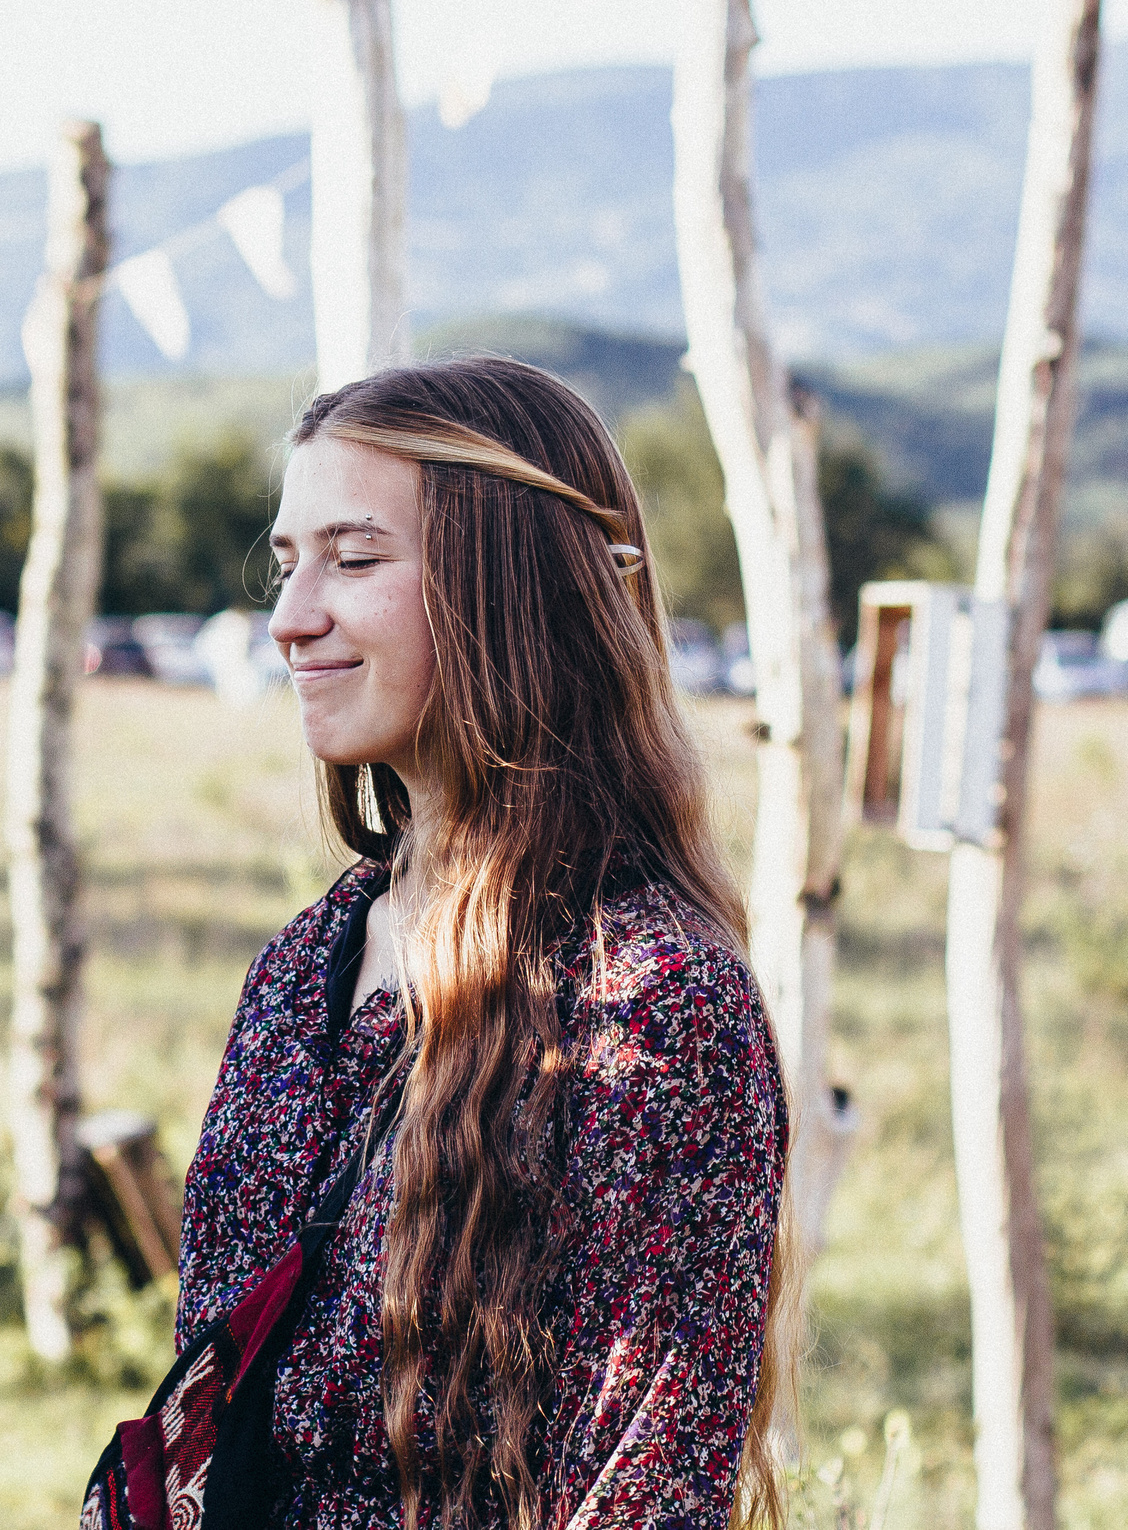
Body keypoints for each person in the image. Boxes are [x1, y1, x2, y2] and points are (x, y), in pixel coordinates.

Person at [173, 358, 789, 1526]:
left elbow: (642, 1489)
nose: (292, 616)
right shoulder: (306, 965)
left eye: (354, 559)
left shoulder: (646, 1002)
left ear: (512, 583)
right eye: (287, 559)